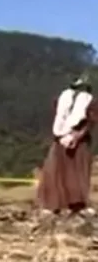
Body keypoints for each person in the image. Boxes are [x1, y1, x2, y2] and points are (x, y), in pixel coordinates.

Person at [37, 75, 96, 215]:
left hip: (72, 140)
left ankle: (75, 203)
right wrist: (70, 136)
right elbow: (88, 123)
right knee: (59, 171)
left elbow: (88, 122)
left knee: (72, 172)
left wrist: (74, 136)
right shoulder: (66, 99)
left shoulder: (87, 101)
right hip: (65, 139)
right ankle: (54, 203)